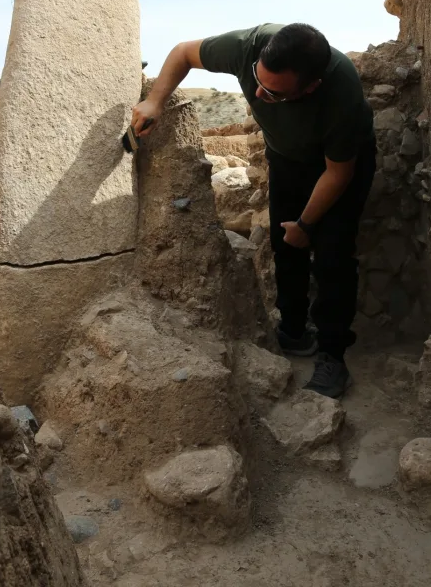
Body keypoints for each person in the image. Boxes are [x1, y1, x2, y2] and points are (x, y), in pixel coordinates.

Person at [131, 23, 376, 398]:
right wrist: (155, 102)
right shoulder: (248, 47)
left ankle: (332, 354)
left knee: (333, 256)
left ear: (310, 87)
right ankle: (293, 332)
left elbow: (337, 173)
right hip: (286, 158)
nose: (258, 95)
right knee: (284, 245)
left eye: (274, 94)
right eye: (257, 81)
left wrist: (306, 224)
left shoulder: (340, 91)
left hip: (336, 167)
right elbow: (183, 52)